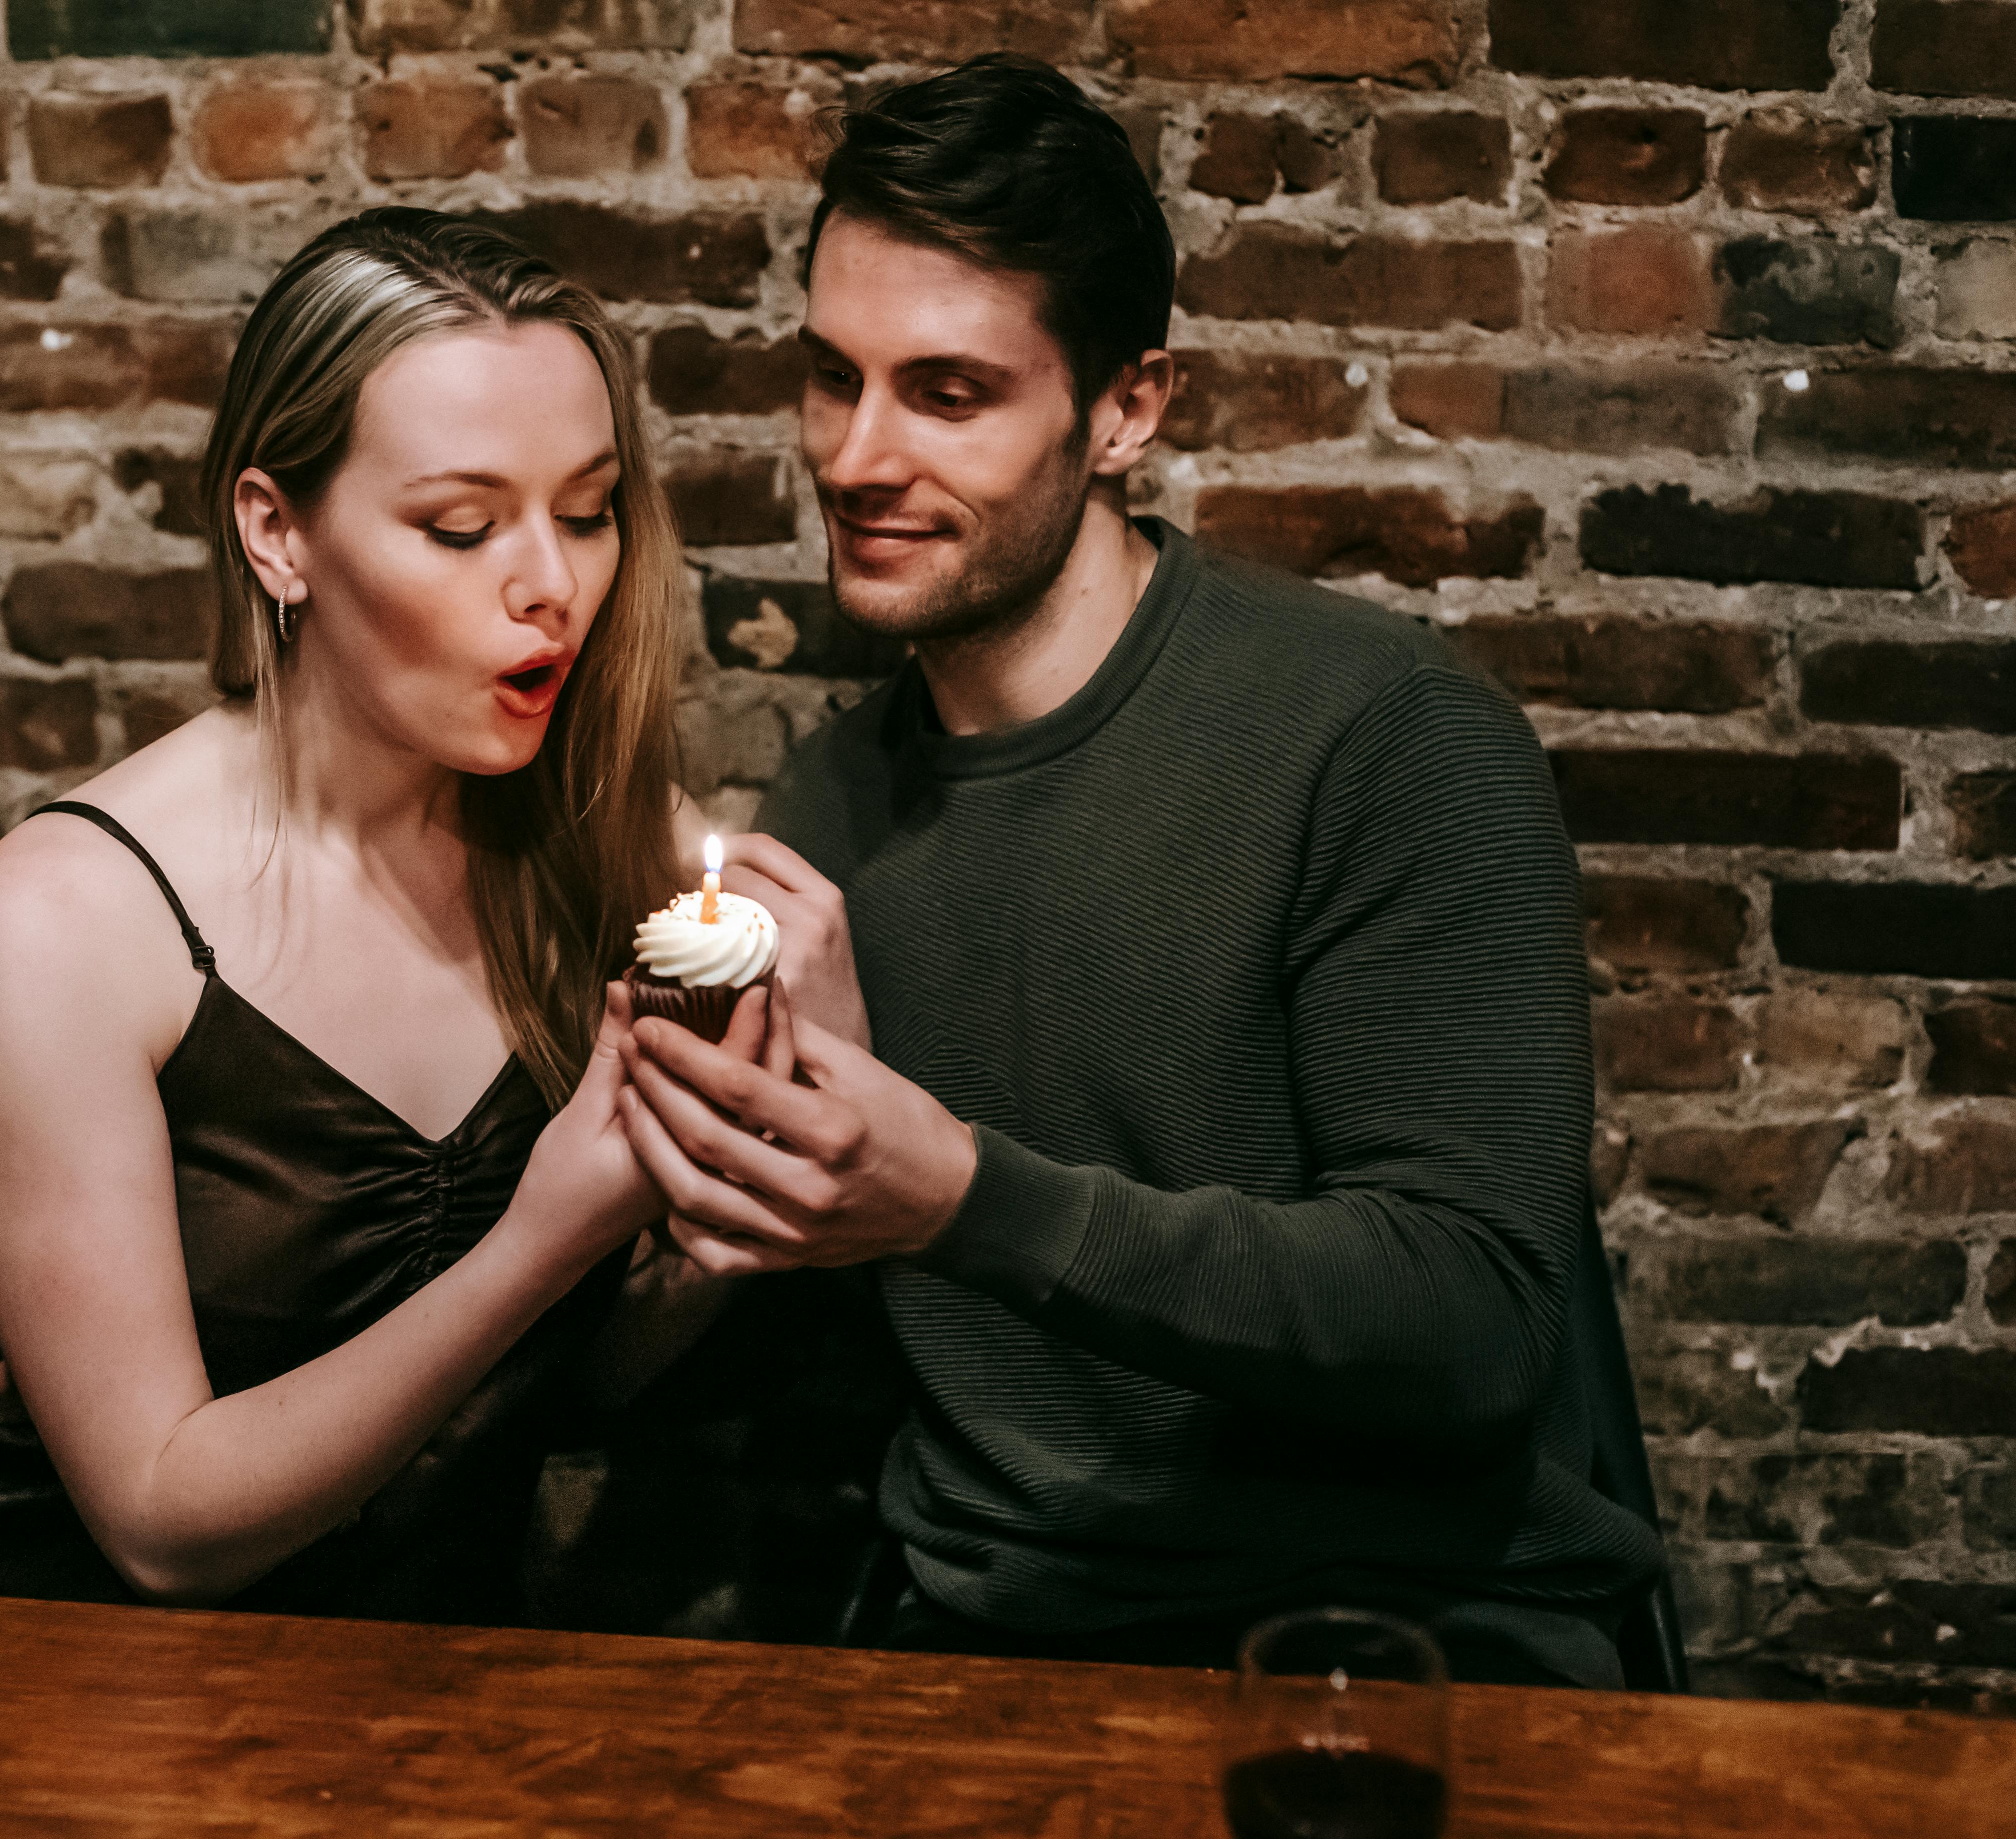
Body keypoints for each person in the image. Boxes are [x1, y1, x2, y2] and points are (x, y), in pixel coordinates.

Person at [614, 57, 1667, 1687]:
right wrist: (710, 1184)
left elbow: (1468, 1322)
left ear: (1125, 409)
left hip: (1398, 1637)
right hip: (982, 1630)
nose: (854, 456)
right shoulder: (831, 804)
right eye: (831, 378)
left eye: (947, 394)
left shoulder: (1381, 736)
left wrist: (965, 1195)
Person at [0, 208, 753, 1622]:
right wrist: (544, 1238)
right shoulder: (67, 914)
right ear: (277, 533)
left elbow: (572, 1387)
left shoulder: (620, 858)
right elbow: (161, 1532)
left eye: (586, 511)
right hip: (41, 1660)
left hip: (408, 1683)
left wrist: (735, 1223)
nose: (554, 585)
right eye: (461, 526)